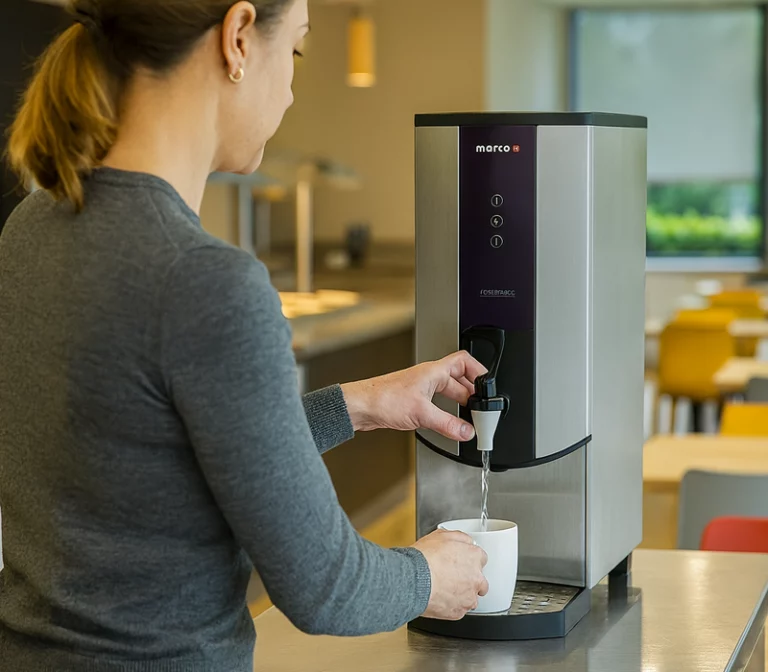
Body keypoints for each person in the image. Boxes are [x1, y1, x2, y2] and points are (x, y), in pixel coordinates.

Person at [0, 1, 490, 670]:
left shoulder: (31, 228)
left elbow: (158, 460)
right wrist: (431, 574)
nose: (289, 91)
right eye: (295, 52)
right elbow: (326, 587)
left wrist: (359, 404)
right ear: (236, 38)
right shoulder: (205, 281)